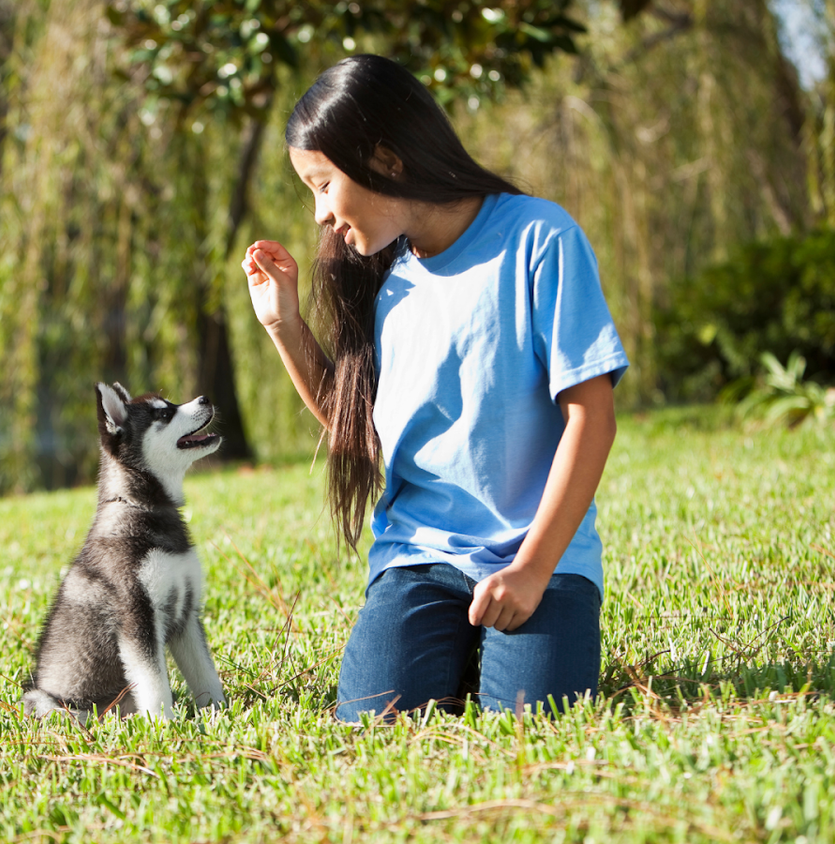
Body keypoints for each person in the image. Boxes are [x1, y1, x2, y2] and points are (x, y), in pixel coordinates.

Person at [242, 55, 628, 721]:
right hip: (420, 559)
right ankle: (456, 643)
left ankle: (498, 643)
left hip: (543, 556)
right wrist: (283, 323)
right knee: (372, 723)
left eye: (323, 185)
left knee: (534, 727)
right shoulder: (381, 273)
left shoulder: (539, 237)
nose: (318, 215)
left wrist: (532, 570)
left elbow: (591, 417)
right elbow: (354, 428)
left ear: (386, 160)